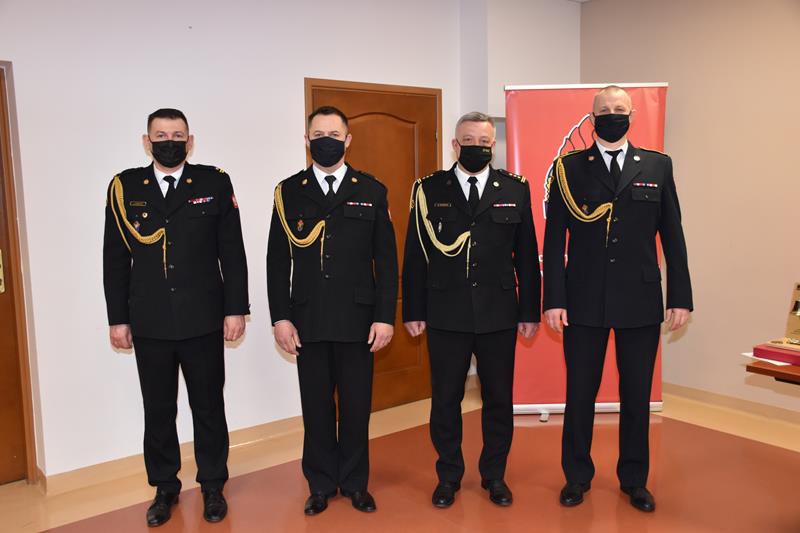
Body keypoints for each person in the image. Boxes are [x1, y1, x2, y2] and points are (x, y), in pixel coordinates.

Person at [543, 86, 693, 513]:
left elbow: (673, 234)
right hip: (583, 298)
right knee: (580, 393)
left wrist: (680, 297)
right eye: (604, 110)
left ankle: (634, 480)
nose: (612, 115)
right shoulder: (569, 168)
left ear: (632, 116)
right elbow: (554, 240)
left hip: (640, 299)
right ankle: (577, 477)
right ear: (592, 118)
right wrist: (554, 298)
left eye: (619, 109)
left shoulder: (657, 165)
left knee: (636, 396)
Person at [103, 108, 249, 526]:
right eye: (161, 135)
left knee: (208, 407)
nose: (170, 141)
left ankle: (213, 485)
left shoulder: (213, 182)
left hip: (203, 318)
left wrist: (236, 308)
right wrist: (118, 318)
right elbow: (115, 258)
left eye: (178, 135)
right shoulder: (125, 187)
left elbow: (231, 251)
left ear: (191, 141)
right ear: (146, 142)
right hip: (149, 320)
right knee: (158, 410)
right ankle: (164, 487)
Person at [402, 112, 540, 508]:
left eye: (483, 141)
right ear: (454, 144)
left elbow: (526, 254)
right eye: (468, 140)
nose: (476, 146)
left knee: (498, 399)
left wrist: (530, 311)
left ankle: (494, 476)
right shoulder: (428, 189)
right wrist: (413, 309)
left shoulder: (514, 188)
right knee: (445, 399)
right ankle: (448, 476)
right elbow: (416, 254)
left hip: (499, 313)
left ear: (493, 145)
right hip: (446, 312)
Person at [267, 106, 398, 516]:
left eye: (335, 134)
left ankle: (356, 483)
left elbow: (386, 260)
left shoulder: (371, 190)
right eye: (319, 134)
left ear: (348, 140)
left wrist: (384, 316)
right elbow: (277, 261)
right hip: (307, 319)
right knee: (317, 408)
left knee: (357, 408)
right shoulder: (288, 191)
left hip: (359, 320)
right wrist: (280, 317)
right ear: (307, 140)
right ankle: (321, 484)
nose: (327, 141)